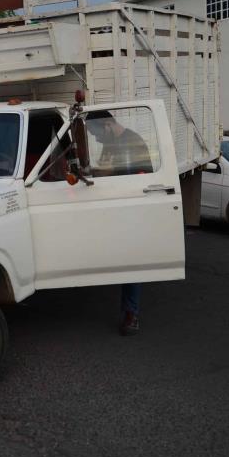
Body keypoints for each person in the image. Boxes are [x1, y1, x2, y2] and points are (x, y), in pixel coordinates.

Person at [86, 111, 152, 336]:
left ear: (107, 125)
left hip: (131, 210)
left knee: (130, 262)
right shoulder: (112, 143)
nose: (96, 139)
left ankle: (131, 314)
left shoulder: (131, 143)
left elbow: (132, 179)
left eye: (96, 134)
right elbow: (108, 171)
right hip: (117, 208)